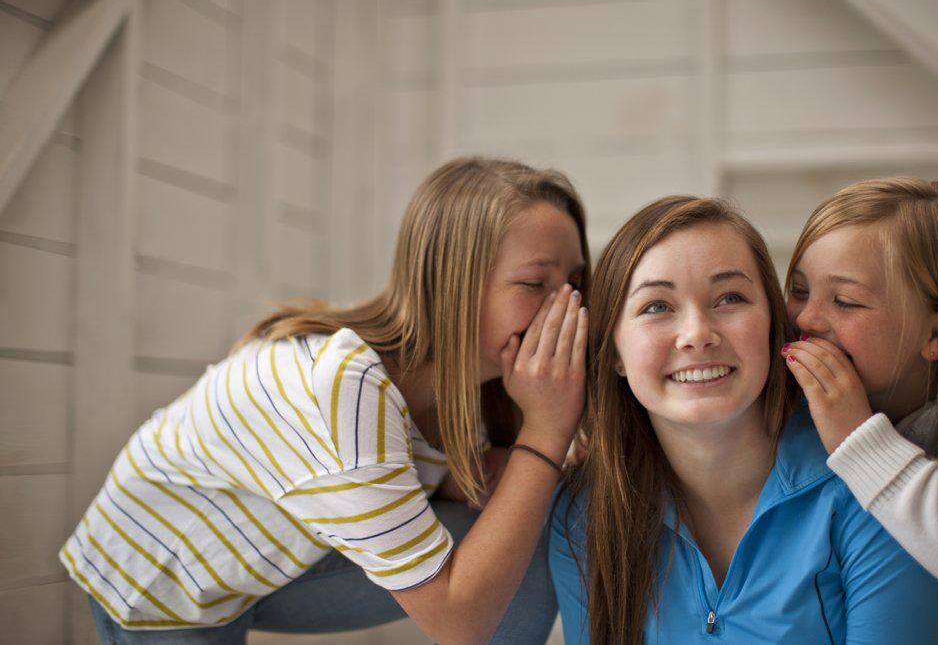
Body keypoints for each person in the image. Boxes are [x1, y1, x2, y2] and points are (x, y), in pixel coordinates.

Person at [61, 156, 591, 644]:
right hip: (165, 578)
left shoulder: (478, 380)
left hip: (282, 553)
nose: (566, 309)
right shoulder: (344, 386)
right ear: (448, 284)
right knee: (511, 532)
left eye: (574, 283)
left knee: (532, 522)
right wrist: (544, 433)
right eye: (534, 283)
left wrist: (533, 465)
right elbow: (459, 622)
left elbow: (436, 480)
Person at [548, 195, 938, 644]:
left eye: (730, 297)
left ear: (775, 326)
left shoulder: (873, 489)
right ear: (615, 351)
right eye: (657, 306)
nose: (697, 334)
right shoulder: (580, 513)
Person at [782, 177, 938, 640]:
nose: (806, 319)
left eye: (845, 301)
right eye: (797, 290)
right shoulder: (793, 412)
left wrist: (860, 443)